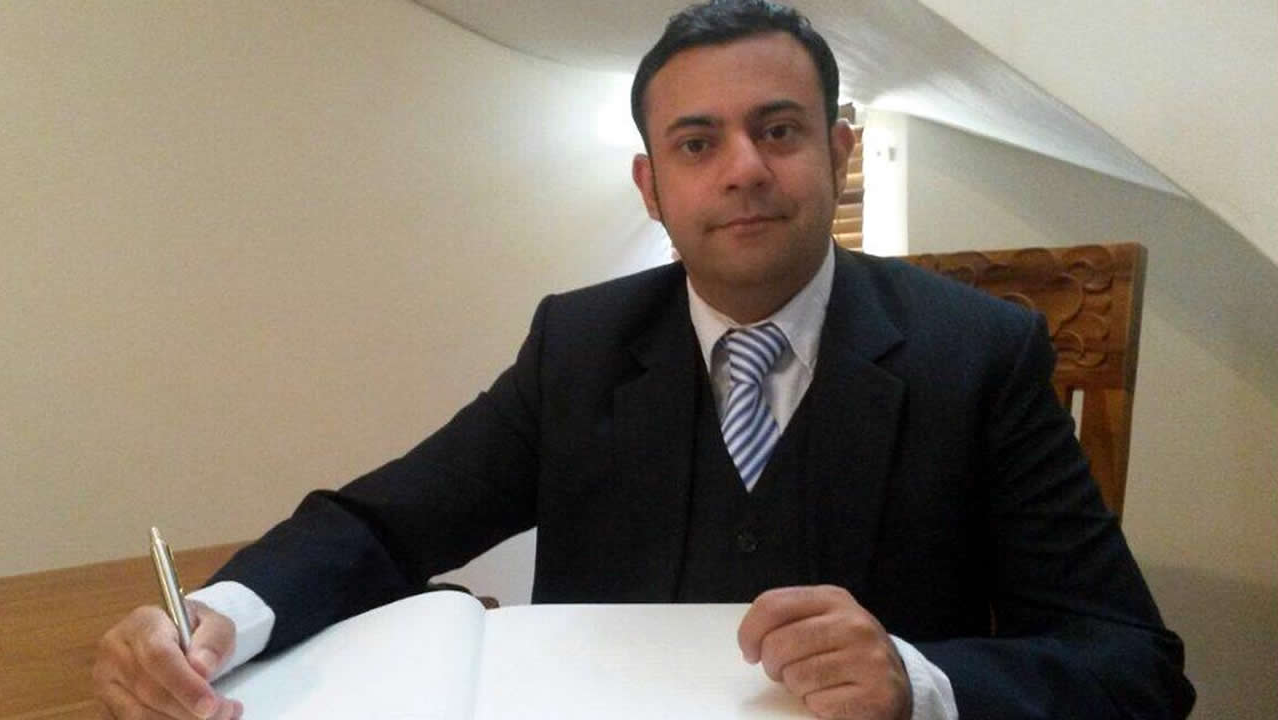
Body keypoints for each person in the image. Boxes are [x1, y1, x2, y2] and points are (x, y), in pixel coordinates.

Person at [93, 2, 1195, 719]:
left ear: (838, 150)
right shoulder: (576, 346)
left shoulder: (981, 351)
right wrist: (221, 615)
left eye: (779, 130)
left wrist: (921, 681)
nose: (742, 169)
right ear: (651, 186)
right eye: (696, 143)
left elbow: (1133, 663)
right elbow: (382, 525)